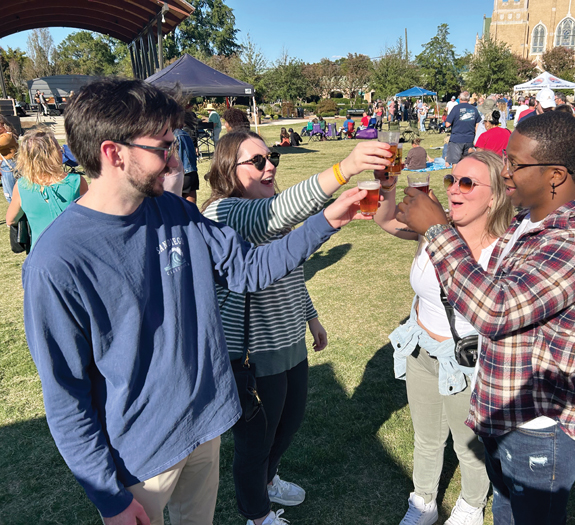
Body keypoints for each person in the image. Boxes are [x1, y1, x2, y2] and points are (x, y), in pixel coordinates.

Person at [21, 78, 371, 525]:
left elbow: (249, 269)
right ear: (113, 153)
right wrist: (109, 498)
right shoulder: (55, 261)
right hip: (142, 458)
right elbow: (64, 394)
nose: (176, 160)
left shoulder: (174, 211)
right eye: (163, 147)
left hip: (205, 426)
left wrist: (327, 221)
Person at [395, 110, 575, 525]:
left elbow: (495, 310)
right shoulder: (529, 220)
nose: (505, 171)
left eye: (515, 164)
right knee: (507, 514)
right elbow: (553, 309)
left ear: (555, 176)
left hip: (540, 428)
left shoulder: (574, 241)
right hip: (505, 411)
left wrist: (438, 232)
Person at [201, 134, 392, 525]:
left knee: (287, 427)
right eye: (257, 161)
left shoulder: (269, 211)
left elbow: (289, 270)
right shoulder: (223, 213)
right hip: (254, 354)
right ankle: (257, 515)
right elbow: (278, 211)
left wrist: (311, 316)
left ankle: (269, 480)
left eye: (271, 156)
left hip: (291, 343)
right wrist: (345, 168)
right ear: (228, 169)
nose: (270, 165)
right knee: (256, 442)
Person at [373, 151, 513, 525]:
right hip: (420, 348)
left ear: (495, 196)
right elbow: (385, 219)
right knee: (426, 437)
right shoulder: (435, 230)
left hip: (467, 360)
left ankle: (471, 504)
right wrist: (388, 188)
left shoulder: (504, 250)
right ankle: (424, 503)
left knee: (469, 445)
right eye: (452, 180)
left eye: (467, 183)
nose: (453, 190)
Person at [6, 129, 88, 247]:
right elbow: (90, 217)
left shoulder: (21, 185)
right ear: (54, 154)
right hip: (73, 249)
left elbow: (10, 220)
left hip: (40, 251)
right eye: (60, 149)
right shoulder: (76, 181)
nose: (61, 152)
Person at [445, 92, 481, 166]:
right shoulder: (474, 109)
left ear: (460, 98)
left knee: (455, 163)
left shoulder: (456, 108)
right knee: (468, 163)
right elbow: (478, 124)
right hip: (470, 139)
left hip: (456, 139)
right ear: (468, 99)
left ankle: (455, 174)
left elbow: (447, 124)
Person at [174, 126, 199, 203]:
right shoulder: (185, 134)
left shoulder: (171, 135)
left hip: (178, 173)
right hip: (191, 171)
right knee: (191, 206)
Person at [0, 115, 19, 203]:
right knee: (8, 194)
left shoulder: (7, 136)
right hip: (4, 167)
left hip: (9, 166)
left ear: (3, 125)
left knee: (12, 195)